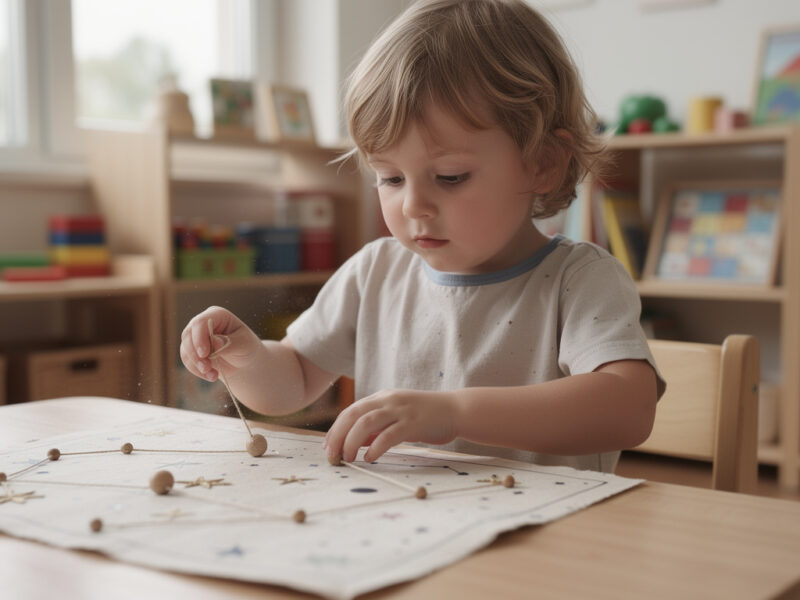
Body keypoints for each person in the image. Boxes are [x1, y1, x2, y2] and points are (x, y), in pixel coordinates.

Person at [180, 0, 664, 474]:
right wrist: (246, 360)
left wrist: (452, 413)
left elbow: (629, 408)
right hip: (406, 528)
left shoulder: (579, 279)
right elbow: (294, 382)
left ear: (542, 163)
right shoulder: (375, 273)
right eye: (390, 178)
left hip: (548, 541)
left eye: (450, 177)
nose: (412, 206)